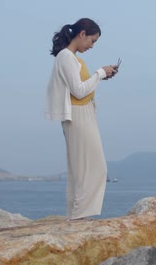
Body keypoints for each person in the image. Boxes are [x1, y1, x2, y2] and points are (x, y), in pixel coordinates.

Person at [45, 18, 118, 221]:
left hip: (84, 113)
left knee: (82, 168)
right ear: (82, 34)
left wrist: (100, 77)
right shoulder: (66, 57)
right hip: (77, 115)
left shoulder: (72, 58)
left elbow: (81, 88)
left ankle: (76, 216)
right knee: (92, 168)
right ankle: (78, 216)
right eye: (92, 41)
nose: (92, 46)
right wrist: (100, 73)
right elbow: (78, 91)